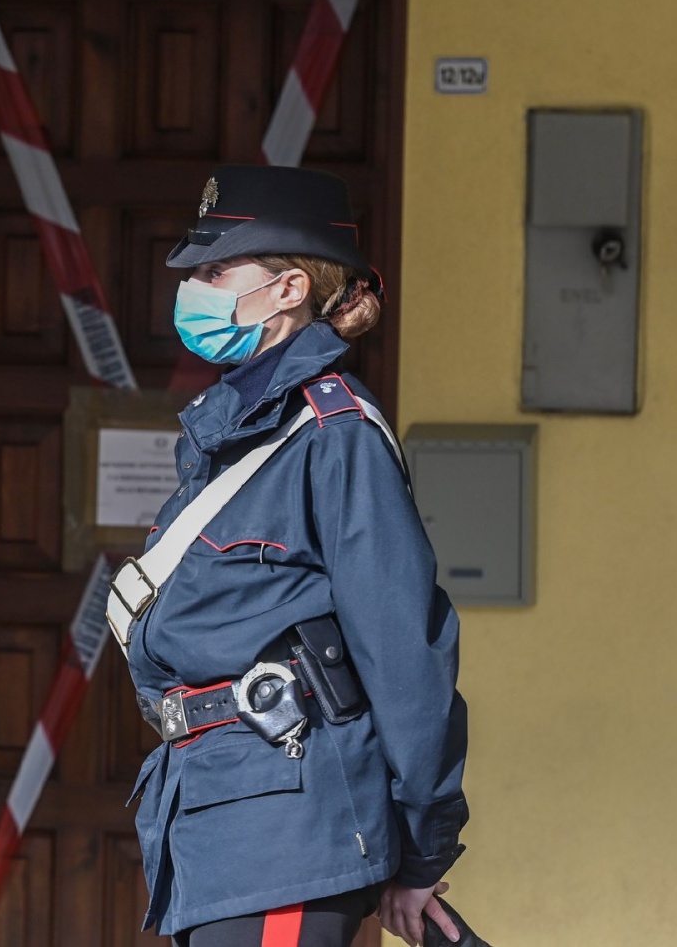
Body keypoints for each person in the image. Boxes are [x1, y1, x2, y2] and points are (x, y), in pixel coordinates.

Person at [121, 164, 467, 947]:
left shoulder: (334, 433)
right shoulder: (236, 429)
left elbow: (406, 656)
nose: (195, 286)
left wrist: (421, 852)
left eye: (217, 270)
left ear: (288, 289)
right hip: (221, 829)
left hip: (289, 833)